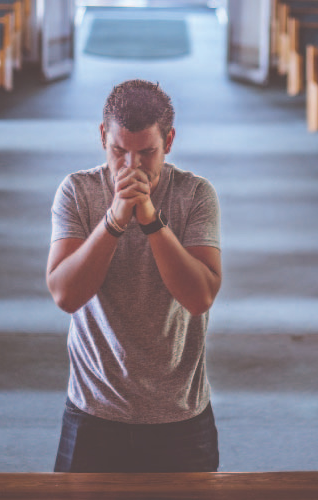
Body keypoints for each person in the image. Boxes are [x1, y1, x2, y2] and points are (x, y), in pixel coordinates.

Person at [46, 79, 222, 473]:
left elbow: (199, 298)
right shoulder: (77, 191)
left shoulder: (195, 194)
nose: (131, 167)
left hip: (180, 415)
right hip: (93, 410)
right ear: (102, 137)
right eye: (119, 151)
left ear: (169, 141)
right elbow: (66, 295)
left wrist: (151, 220)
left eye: (147, 153)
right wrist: (113, 220)